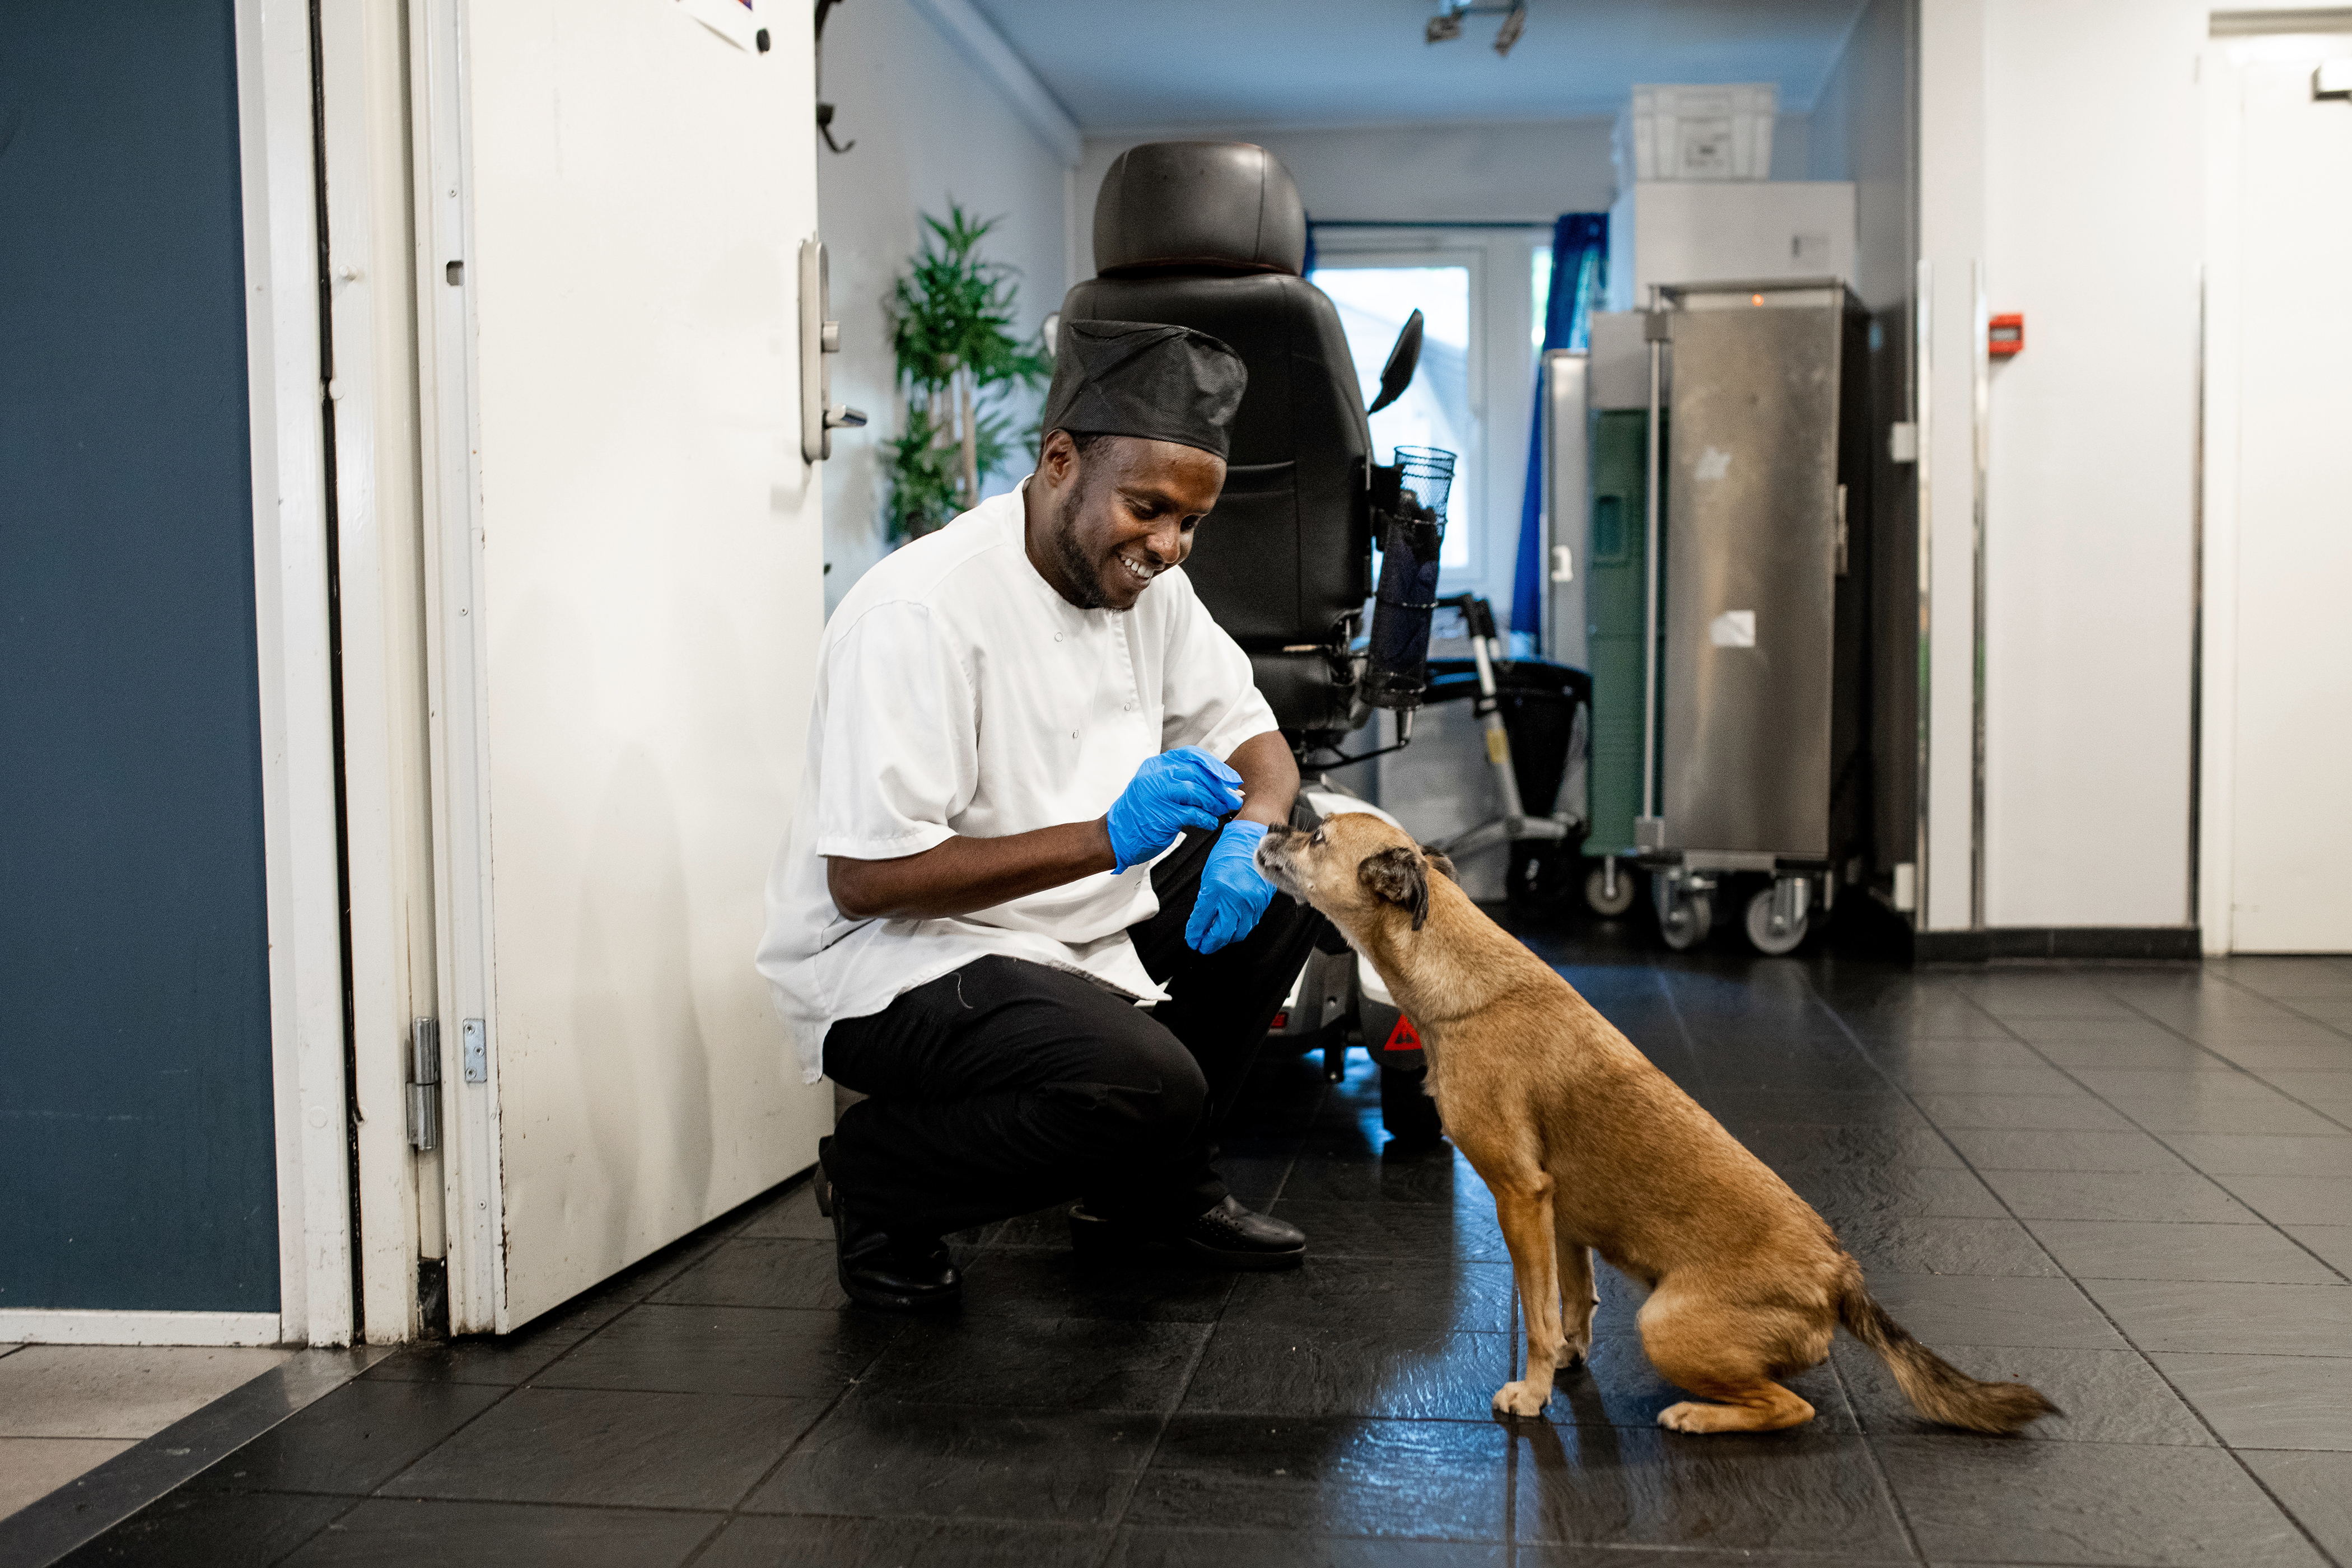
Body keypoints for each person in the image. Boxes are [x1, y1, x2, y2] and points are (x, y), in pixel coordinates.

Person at [757, 320, 1327, 1310]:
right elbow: (868, 880)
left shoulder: (1152, 587)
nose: (1168, 547)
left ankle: (1149, 1196)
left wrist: (1252, 833)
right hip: (906, 954)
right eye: (1148, 509)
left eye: (1191, 523)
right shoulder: (921, 611)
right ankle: (877, 1182)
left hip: (1072, 916)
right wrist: (1107, 839)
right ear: (1060, 460)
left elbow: (1257, 744)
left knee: (1290, 863)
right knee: (1145, 1085)